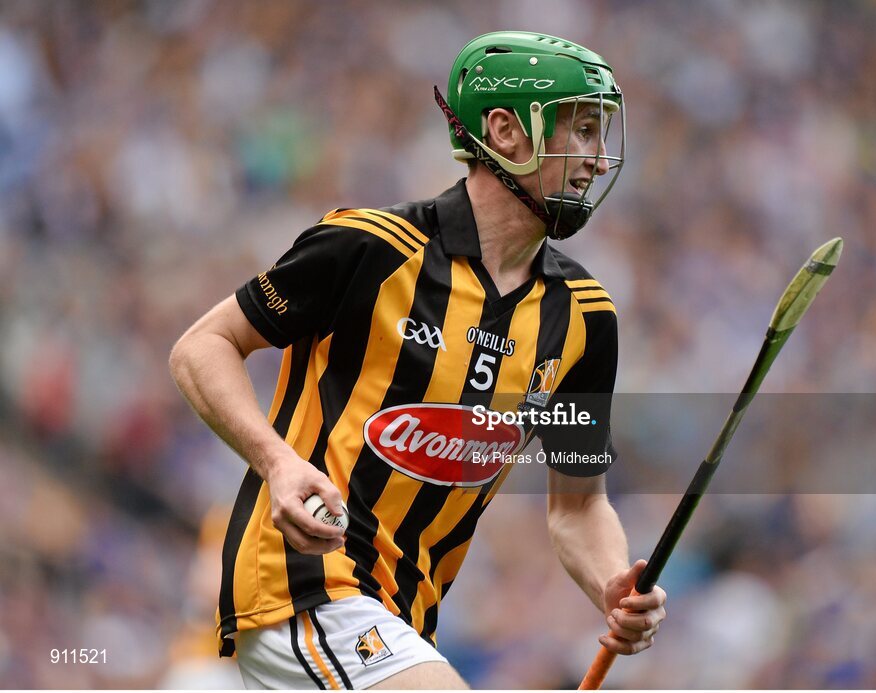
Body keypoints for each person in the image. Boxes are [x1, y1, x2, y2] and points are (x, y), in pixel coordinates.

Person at [170, 30, 666, 690]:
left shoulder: (583, 317)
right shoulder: (371, 247)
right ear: (505, 131)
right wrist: (277, 460)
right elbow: (202, 345)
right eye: (579, 131)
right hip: (303, 584)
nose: (598, 160)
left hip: (403, 615)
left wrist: (612, 581)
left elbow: (577, 506)